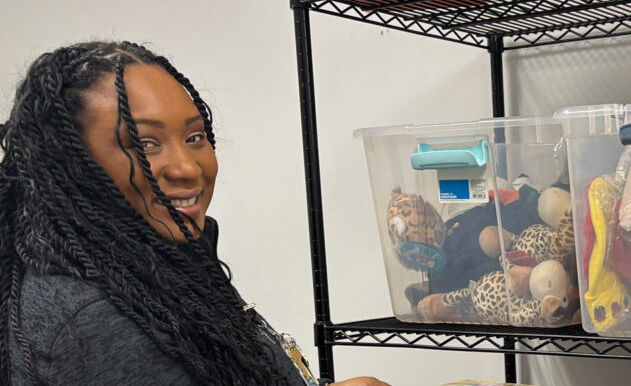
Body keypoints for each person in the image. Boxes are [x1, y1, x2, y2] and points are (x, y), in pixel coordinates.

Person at [0, 41, 386, 386]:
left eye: (194, 137)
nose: (187, 167)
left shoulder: (153, 267)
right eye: (145, 143)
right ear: (70, 163)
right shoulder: (97, 318)